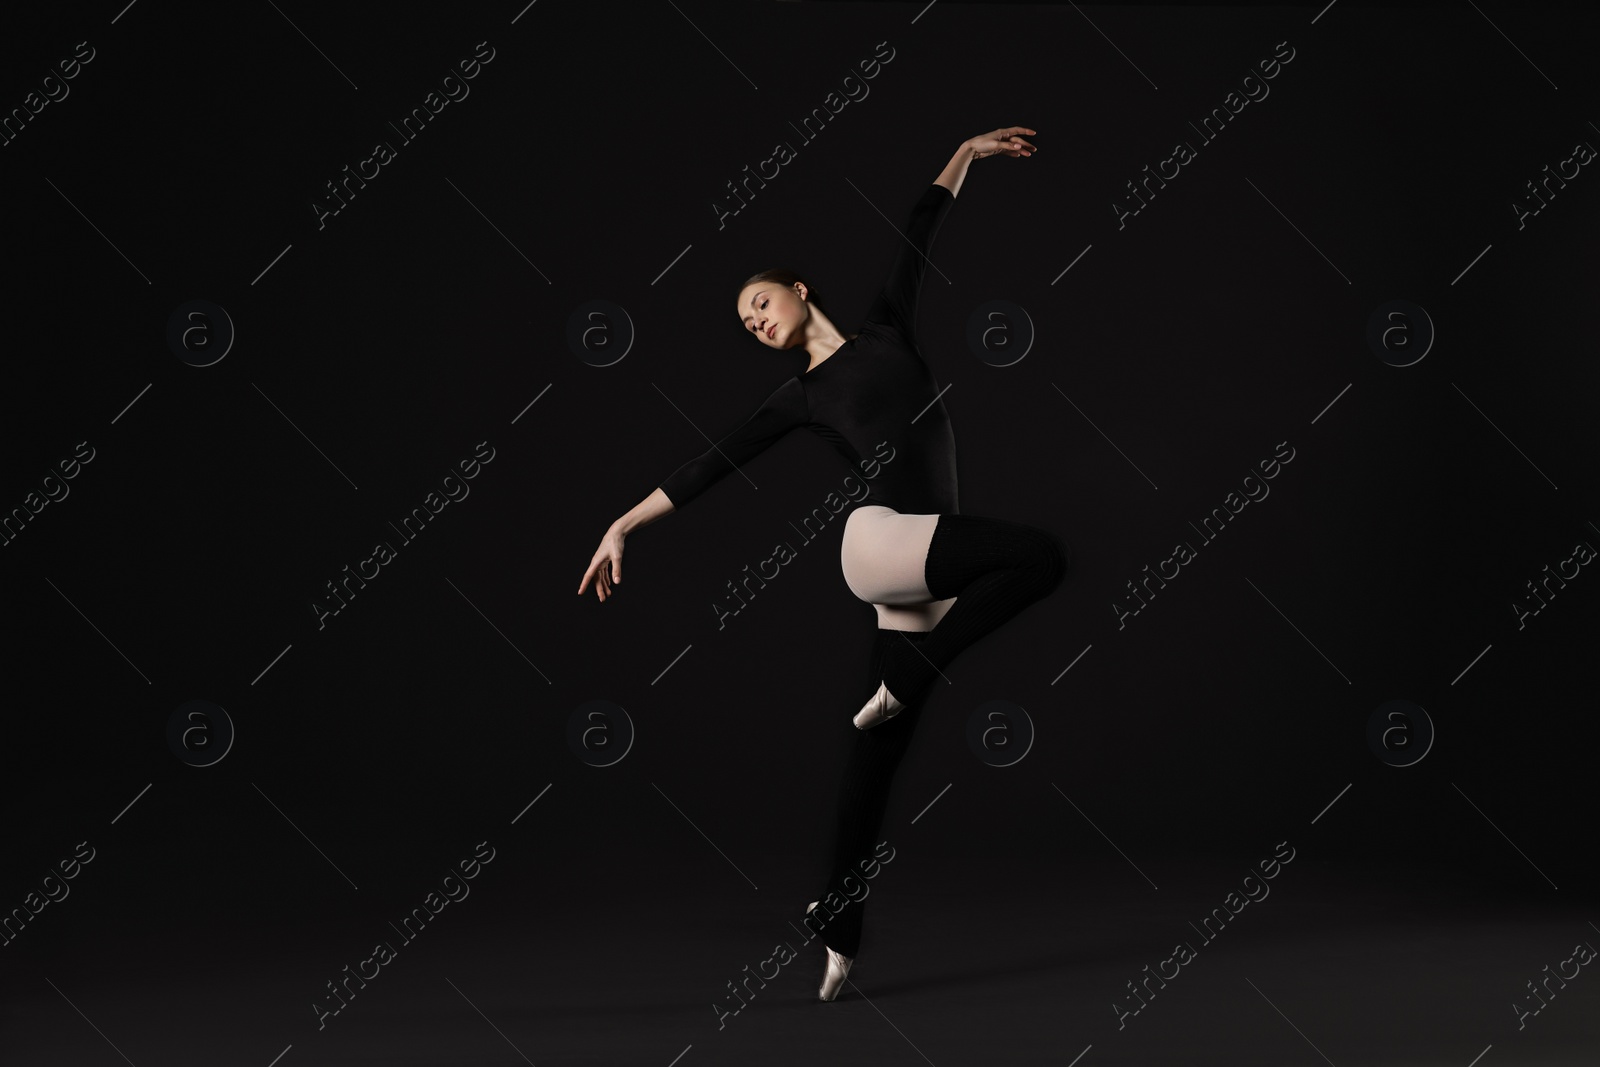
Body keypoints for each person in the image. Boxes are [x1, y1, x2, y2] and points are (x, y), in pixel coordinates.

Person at [579, 126, 1072, 1002]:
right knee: (1040, 557)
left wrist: (965, 149)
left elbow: (921, 224)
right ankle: (914, 674)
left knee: (876, 752)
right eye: (745, 324)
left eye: (761, 303)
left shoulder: (887, 325)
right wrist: (623, 523)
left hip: (920, 559)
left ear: (799, 291)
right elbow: (712, 462)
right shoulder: (799, 396)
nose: (757, 321)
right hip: (880, 542)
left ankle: (836, 924)